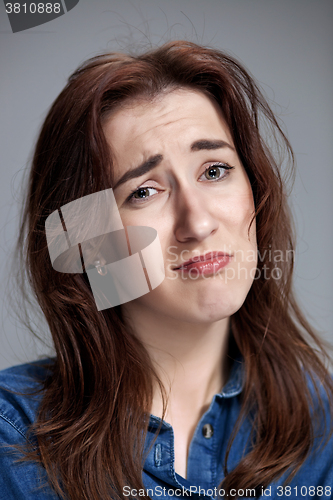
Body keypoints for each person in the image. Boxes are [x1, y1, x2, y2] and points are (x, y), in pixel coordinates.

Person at [0, 40, 332, 500]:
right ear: (87, 244)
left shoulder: (323, 427)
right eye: (143, 191)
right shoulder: (12, 437)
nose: (197, 223)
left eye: (214, 170)